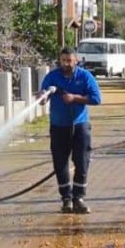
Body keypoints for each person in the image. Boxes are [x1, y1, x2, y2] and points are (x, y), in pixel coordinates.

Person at [38, 46, 102, 213]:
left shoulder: (85, 77)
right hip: (59, 126)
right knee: (60, 163)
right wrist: (42, 98)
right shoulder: (52, 77)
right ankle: (66, 199)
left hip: (80, 125)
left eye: (69, 61)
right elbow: (43, 95)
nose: (66, 64)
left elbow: (96, 98)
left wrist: (75, 98)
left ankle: (78, 197)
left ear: (76, 61)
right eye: (63, 60)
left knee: (82, 162)